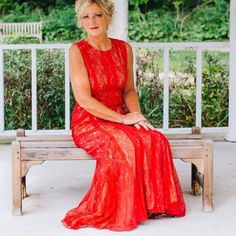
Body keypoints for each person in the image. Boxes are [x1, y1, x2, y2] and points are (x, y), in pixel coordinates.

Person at [61, 0, 186, 231]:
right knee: (123, 146)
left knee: (156, 139)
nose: (92, 21)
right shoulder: (77, 50)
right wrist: (123, 119)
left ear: (108, 17)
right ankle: (123, 208)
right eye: (86, 17)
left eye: (97, 15)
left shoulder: (123, 49)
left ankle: (153, 205)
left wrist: (137, 116)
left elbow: (128, 90)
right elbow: (84, 100)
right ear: (81, 21)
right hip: (89, 121)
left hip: (120, 117)